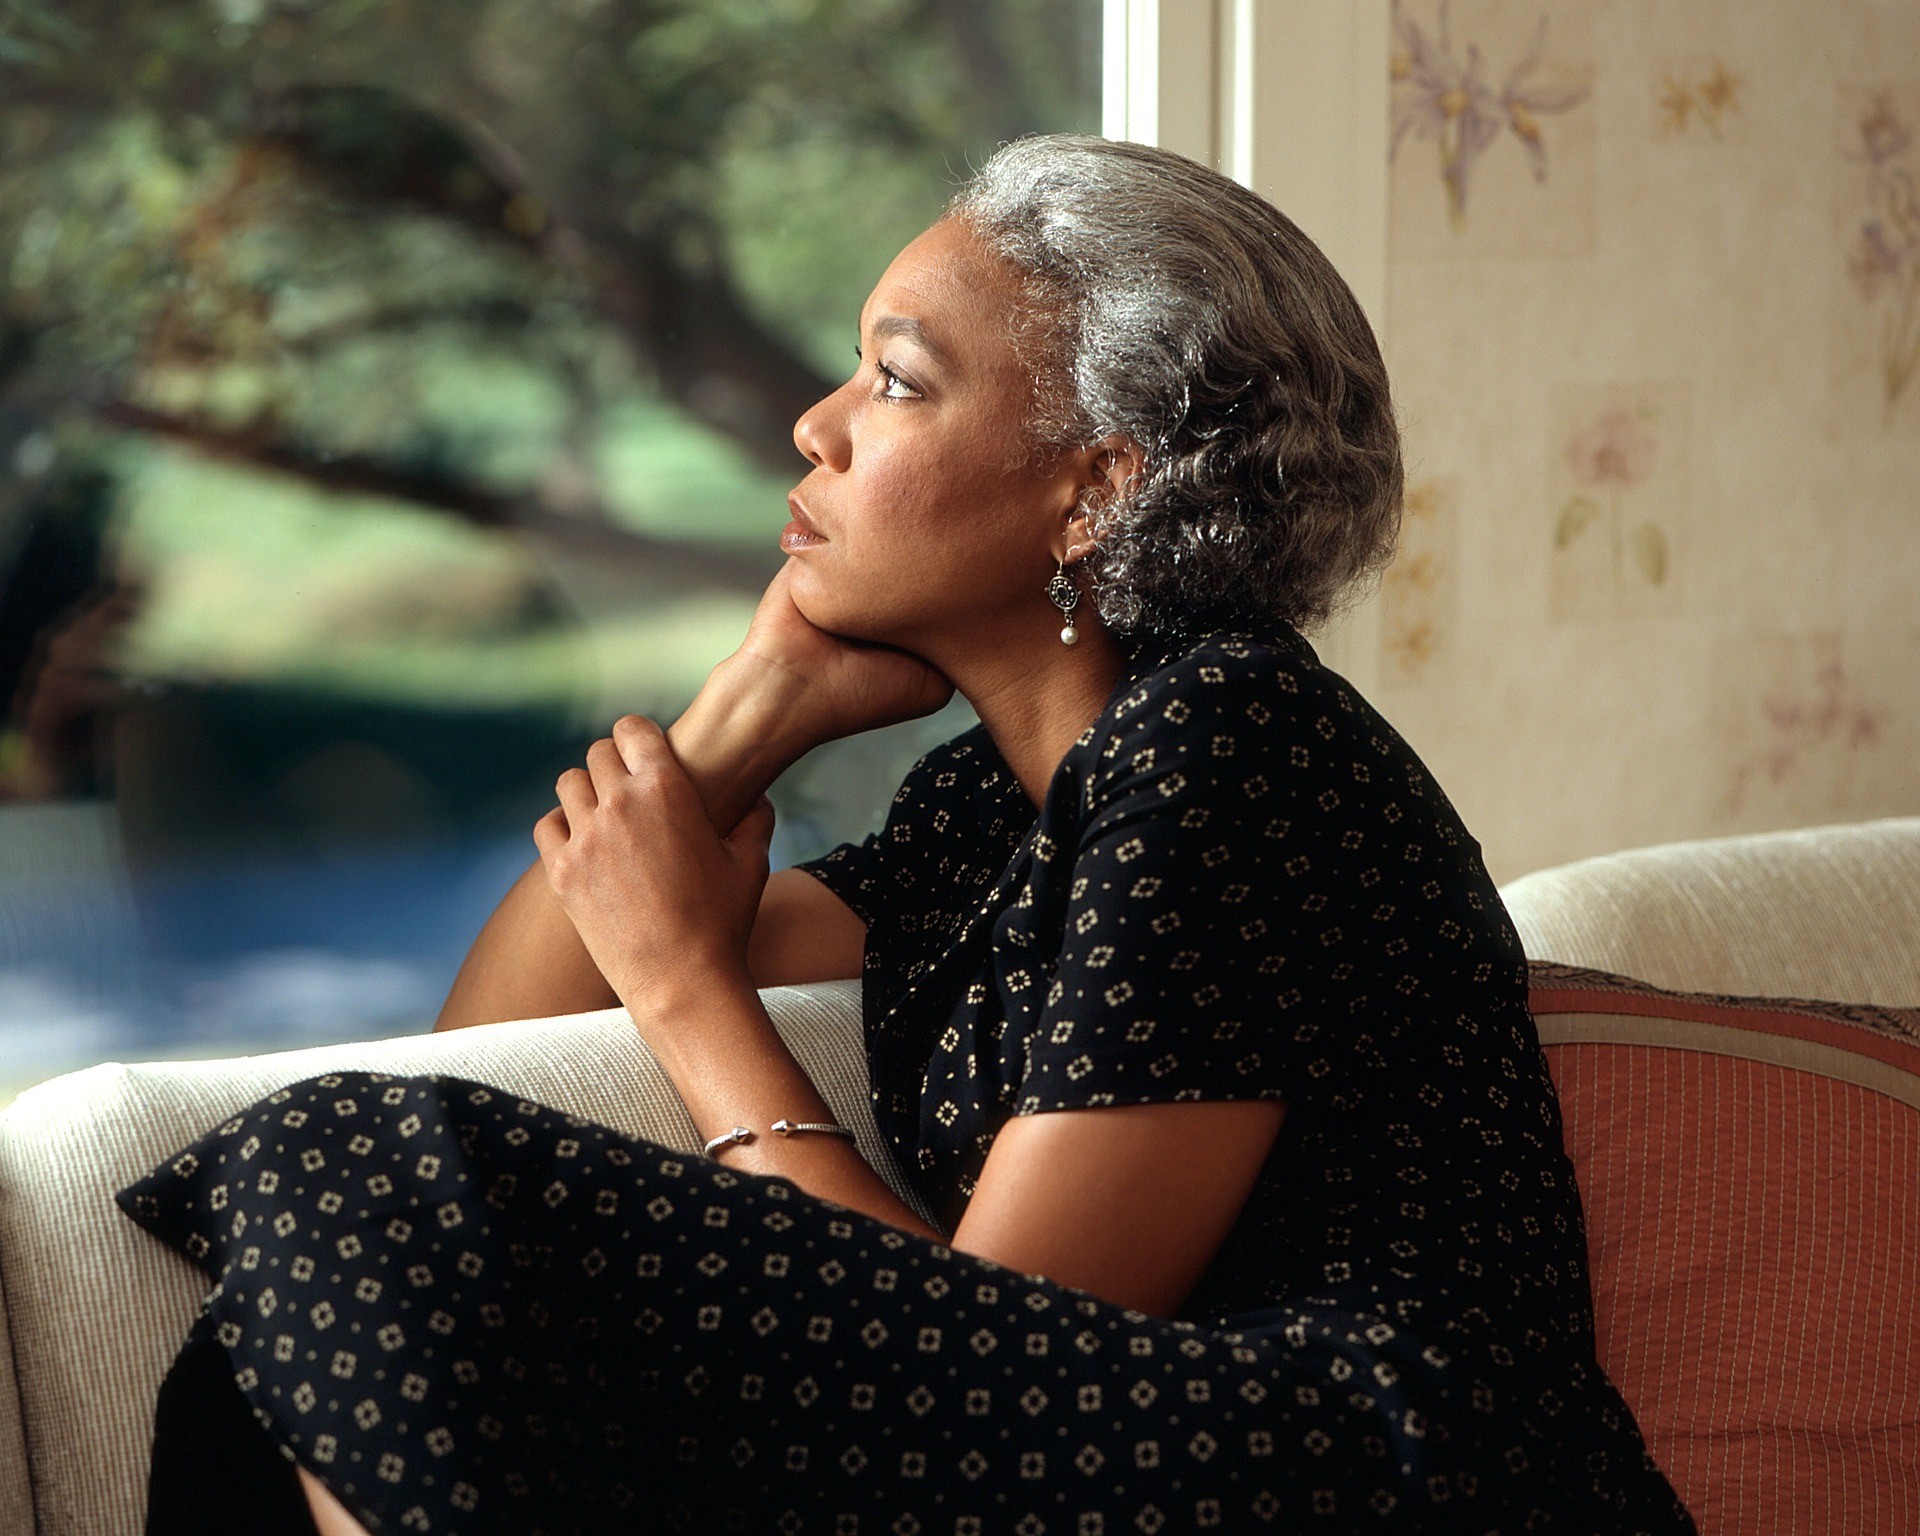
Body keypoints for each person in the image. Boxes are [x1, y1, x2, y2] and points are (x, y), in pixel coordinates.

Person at [117, 133, 1698, 1535]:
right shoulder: (988, 809)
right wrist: (751, 710)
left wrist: (689, 988)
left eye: (897, 380)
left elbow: (1003, 1339)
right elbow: (476, 1052)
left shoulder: (1237, 749)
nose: (817, 426)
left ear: (1097, 492)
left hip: (1367, 1471)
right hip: (1141, 1461)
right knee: (352, 1243)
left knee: (358, 1170)